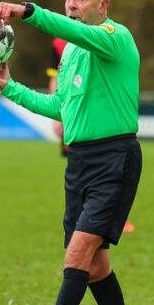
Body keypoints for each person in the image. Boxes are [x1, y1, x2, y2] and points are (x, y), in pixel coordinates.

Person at [0, 0, 149, 305]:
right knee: (95, 266)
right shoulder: (71, 51)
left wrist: (27, 12)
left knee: (77, 254)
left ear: (102, 5)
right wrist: (8, 86)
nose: (71, 3)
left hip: (114, 159)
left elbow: (67, 27)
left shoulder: (115, 38)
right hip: (80, 162)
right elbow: (61, 111)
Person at [49, 36, 135, 233]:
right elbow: (55, 76)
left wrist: (30, 13)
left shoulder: (108, 37)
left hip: (106, 127)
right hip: (77, 122)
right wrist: (59, 116)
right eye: (68, 1)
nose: (72, 5)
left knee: (113, 175)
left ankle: (114, 217)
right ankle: (87, 217)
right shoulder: (60, 43)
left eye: (80, 1)